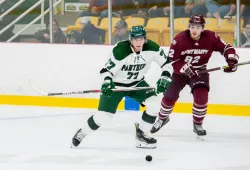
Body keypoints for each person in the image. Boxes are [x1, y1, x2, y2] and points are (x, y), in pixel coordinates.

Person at [71, 25, 173, 149]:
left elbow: (167, 64)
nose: (139, 42)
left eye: (141, 39)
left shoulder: (152, 48)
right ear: (130, 39)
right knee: (104, 117)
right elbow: (105, 70)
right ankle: (82, 132)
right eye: (136, 39)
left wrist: (165, 77)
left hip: (137, 83)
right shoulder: (120, 50)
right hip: (116, 86)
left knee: (154, 104)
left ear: (145, 39)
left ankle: (142, 135)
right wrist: (107, 82)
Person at [150, 15, 239, 138]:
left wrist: (231, 58)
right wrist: (185, 68)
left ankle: (197, 124)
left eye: (197, 27)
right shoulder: (179, 39)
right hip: (179, 72)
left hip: (199, 72)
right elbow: (171, 60)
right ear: (188, 27)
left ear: (202, 28)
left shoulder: (211, 37)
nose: (194, 30)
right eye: (192, 26)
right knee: (170, 96)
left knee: (201, 97)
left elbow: (226, 47)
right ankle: (162, 118)